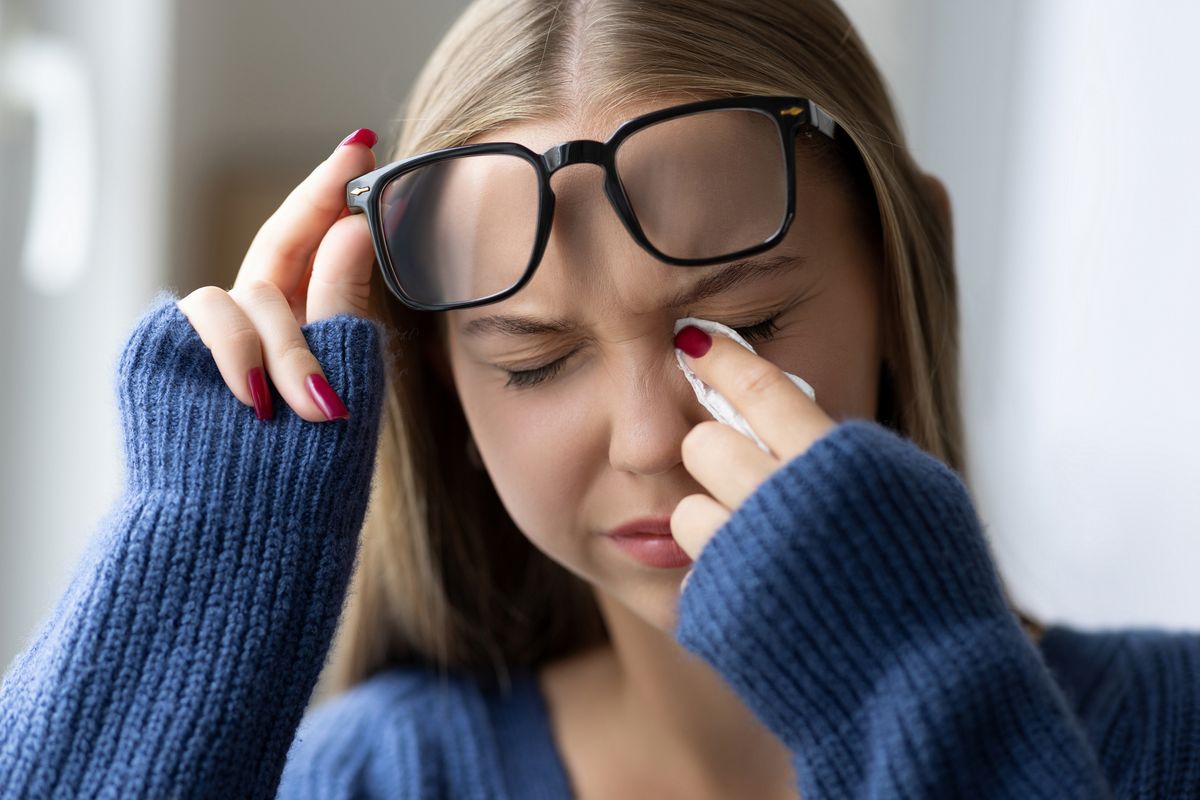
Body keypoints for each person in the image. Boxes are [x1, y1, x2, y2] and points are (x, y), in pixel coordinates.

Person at [2, 0, 1197, 797]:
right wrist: (201, 555)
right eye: (530, 358)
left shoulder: (1171, 730)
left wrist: (919, 700)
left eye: (744, 329)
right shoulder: (385, 775)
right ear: (438, 378)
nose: (650, 439)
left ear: (908, 271)